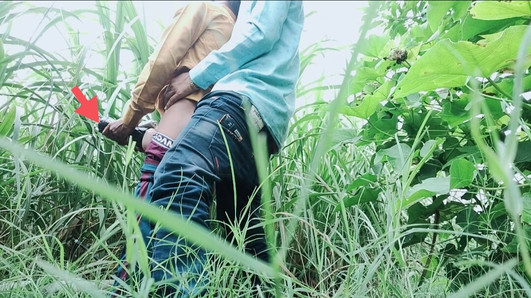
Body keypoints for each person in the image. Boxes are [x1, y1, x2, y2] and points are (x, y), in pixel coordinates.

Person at [147, 1, 304, 295]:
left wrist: (193, 77)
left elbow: (260, 35)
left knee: (177, 177)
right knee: (243, 235)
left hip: (237, 102)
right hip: (261, 124)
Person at [101, 0, 240, 291]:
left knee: (142, 232)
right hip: (204, 138)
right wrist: (145, 131)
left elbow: (163, 60)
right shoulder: (239, 34)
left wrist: (129, 119)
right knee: (173, 238)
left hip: (179, 116)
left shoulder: (206, 8)